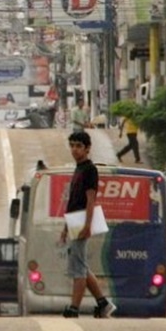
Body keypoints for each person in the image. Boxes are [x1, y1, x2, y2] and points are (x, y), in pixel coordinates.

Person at [60, 131, 116, 318]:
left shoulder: (90, 170)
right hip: (74, 221)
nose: (74, 150)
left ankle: (74, 308)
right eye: (72, 146)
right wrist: (65, 228)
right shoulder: (79, 169)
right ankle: (103, 304)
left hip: (82, 221)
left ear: (87, 148)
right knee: (81, 265)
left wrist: (87, 225)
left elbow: (90, 200)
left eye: (78, 146)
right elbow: (72, 201)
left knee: (78, 269)